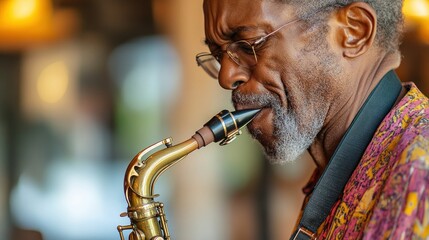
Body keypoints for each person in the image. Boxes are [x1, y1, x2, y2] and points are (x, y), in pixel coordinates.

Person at [195, 0, 429, 239]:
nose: (226, 77)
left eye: (248, 45)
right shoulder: (340, 170)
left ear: (353, 32)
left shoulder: (420, 172)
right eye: (217, 55)